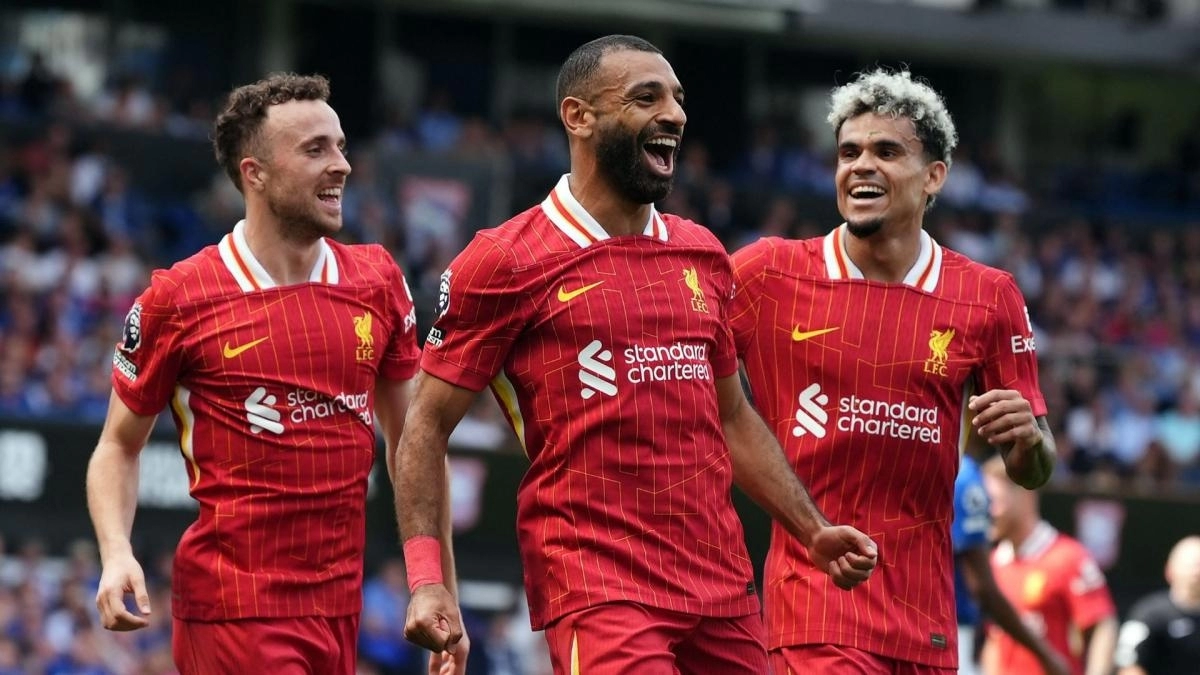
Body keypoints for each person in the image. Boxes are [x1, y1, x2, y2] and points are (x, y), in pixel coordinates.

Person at [394, 34, 878, 675]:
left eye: (678, 99)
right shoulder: (506, 260)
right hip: (598, 585)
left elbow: (732, 416)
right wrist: (428, 579)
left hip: (720, 585)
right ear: (579, 116)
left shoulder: (702, 252)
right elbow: (423, 426)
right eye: (646, 98)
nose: (674, 115)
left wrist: (810, 528)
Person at [85, 73, 423, 675]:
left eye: (341, 146)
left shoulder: (377, 280)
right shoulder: (182, 297)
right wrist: (116, 552)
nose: (341, 165)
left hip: (339, 609)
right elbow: (117, 445)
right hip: (236, 610)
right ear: (254, 173)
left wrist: (430, 581)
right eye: (315, 149)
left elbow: (414, 444)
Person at [727, 67, 1057, 674]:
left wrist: (1029, 440)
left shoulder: (988, 295)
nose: (861, 166)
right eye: (848, 152)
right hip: (816, 614)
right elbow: (684, 350)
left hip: (928, 625)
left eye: (886, 151)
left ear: (934, 176)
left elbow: (1035, 470)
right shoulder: (768, 274)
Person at [981, 454, 1117, 675]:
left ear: (1026, 495)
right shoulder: (993, 563)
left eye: (993, 501)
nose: (987, 511)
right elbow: (994, 638)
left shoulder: (1069, 557)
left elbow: (1102, 626)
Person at [954, 448, 1070, 675]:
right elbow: (983, 589)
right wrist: (1047, 656)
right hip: (948, 638)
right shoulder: (966, 478)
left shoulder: (1067, 555)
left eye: (994, 501)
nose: (992, 512)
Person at [1114, 535, 1200, 675]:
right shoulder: (1149, 614)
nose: (1197, 572)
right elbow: (1129, 665)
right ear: (1169, 571)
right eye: (1191, 565)